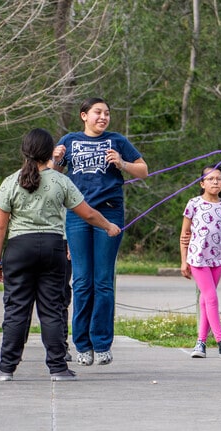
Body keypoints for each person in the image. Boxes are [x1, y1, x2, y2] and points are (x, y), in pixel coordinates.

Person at [0, 128, 121, 382]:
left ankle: (6, 368)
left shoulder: (10, 181)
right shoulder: (61, 181)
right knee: (52, 309)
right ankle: (58, 368)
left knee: (17, 310)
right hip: (53, 248)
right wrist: (109, 226)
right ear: (50, 152)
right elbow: (88, 214)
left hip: (19, 249)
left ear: (24, 150)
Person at [51, 97, 148, 366]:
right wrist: (56, 159)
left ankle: (102, 343)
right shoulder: (69, 140)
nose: (103, 117)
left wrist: (122, 163)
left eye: (107, 113)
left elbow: (144, 170)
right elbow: (52, 176)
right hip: (78, 215)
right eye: (97, 112)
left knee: (103, 282)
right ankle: (82, 344)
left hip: (110, 213)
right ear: (84, 115)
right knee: (82, 282)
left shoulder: (117, 140)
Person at [179, 165, 221, 359]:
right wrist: (184, 261)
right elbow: (185, 235)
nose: (215, 182)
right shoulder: (194, 204)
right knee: (212, 297)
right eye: (210, 179)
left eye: (219, 178)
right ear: (202, 183)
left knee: (206, 300)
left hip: (217, 258)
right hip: (198, 257)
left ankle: (200, 344)